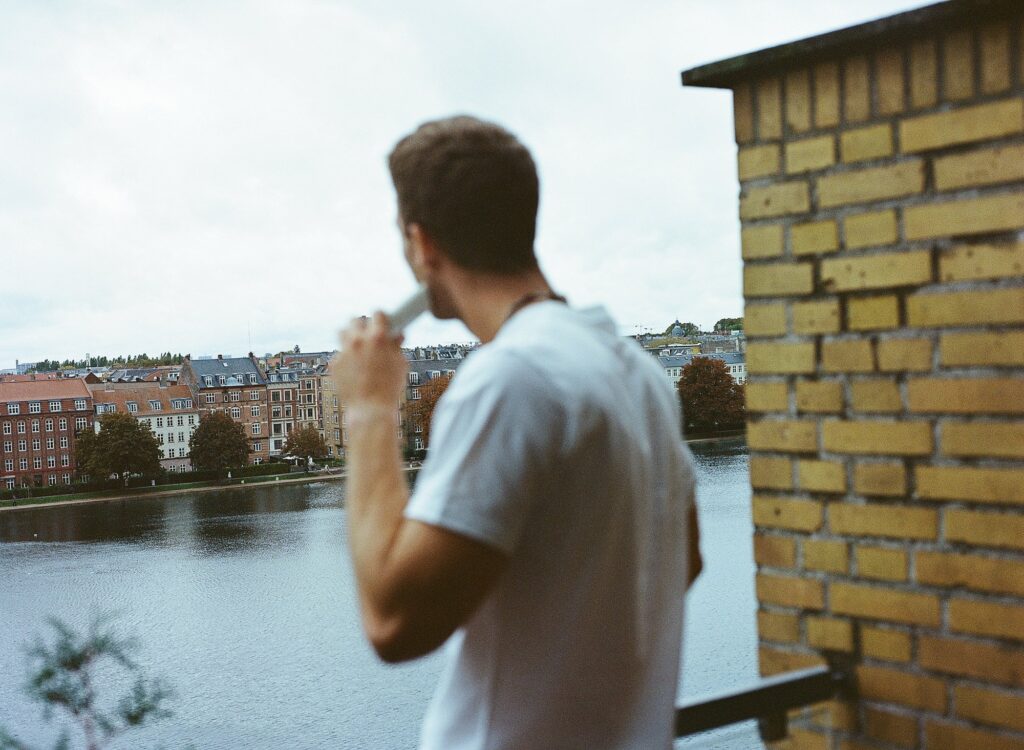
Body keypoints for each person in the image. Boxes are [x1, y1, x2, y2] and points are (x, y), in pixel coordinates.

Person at [334, 115, 701, 750]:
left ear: (422, 243)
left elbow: (393, 622)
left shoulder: (508, 379)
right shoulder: (640, 373)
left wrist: (369, 409)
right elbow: (685, 560)